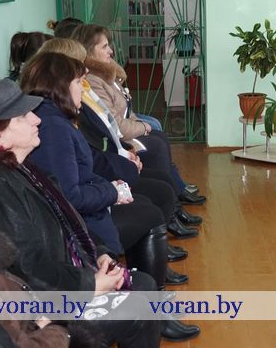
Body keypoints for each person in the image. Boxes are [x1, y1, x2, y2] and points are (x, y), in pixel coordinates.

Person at [0, 79, 200, 345]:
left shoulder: (24, 170)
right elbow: (28, 269)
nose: (37, 119)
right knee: (139, 300)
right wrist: (90, 285)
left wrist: (100, 254)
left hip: (62, 279)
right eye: (23, 116)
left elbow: (72, 222)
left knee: (143, 284)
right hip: (40, 308)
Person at [19, 52, 190, 288]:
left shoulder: (54, 117)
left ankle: (138, 280)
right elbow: (69, 196)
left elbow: (84, 167)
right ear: (60, 86)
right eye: (78, 83)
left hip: (86, 206)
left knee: (146, 201)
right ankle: (144, 288)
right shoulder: (54, 128)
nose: (83, 89)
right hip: (78, 225)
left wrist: (112, 186)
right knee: (150, 212)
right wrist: (111, 191)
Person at [71, 24, 206, 204]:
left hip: (124, 129)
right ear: (88, 51)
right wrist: (143, 127)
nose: (111, 51)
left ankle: (174, 190)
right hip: (117, 139)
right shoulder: (94, 81)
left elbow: (127, 109)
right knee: (157, 143)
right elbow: (115, 125)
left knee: (158, 134)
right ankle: (171, 197)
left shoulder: (107, 73)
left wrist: (141, 125)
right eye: (104, 47)